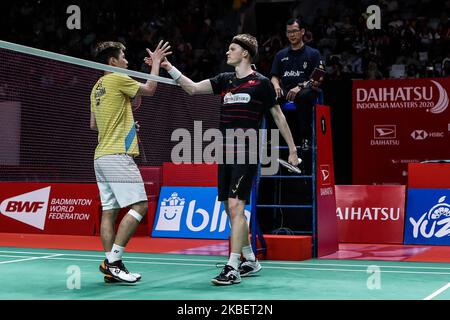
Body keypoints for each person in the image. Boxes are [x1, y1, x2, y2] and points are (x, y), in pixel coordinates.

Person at [149, 34, 299, 285]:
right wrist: (168, 68)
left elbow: (278, 116)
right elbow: (193, 88)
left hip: (247, 151)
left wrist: (292, 150)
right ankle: (250, 259)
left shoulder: (261, 83)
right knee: (229, 210)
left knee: (235, 206)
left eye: (232, 49)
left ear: (245, 54)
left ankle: (232, 266)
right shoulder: (225, 80)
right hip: (225, 152)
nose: (227, 53)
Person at [90, 40, 171, 283]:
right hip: (117, 156)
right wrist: (156, 64)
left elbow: (94, 125)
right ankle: (113, 261)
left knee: (109, 211)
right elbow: (150, 89)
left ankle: (111, 263)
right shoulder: (117, 77)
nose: (127, 61)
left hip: (100, 157)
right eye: (123, 56)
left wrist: (126, 124)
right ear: (113, 61)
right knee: (140, 206)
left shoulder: (95, 87)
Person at [270, 18, 325, 152]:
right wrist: (276, 86)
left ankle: (305, 137)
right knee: (269, 96)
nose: (292, 35)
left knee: (304, 96)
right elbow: (274, 77)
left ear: (302, 32)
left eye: (294, 31)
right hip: (285, 90)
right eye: (289, 32)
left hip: (305, 90)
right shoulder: (280, 55)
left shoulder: (313, 53)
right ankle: (272, 136)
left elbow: (318, 77)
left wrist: (300, 87)